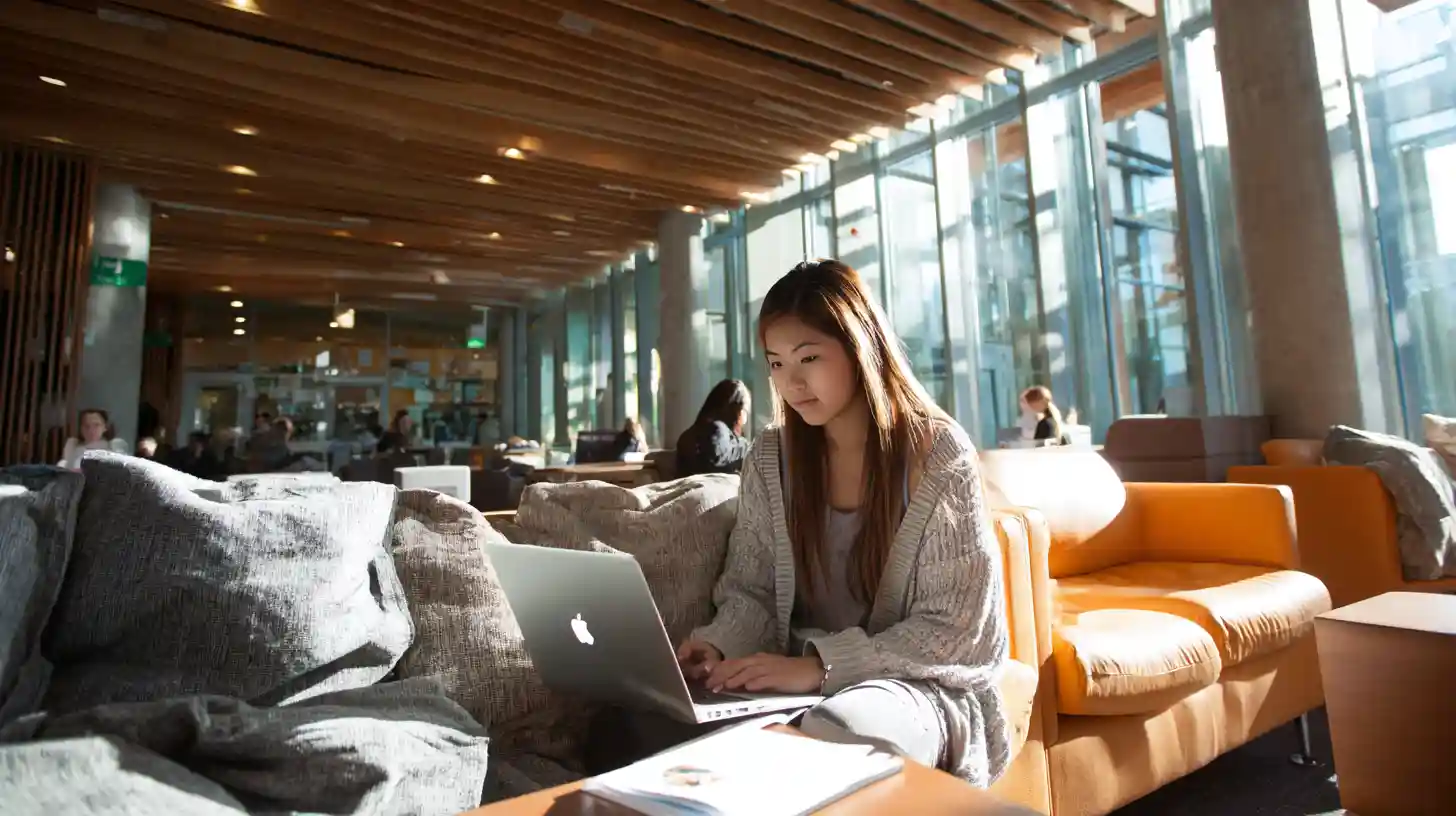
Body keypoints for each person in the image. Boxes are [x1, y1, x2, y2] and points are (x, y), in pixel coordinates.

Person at [675, 259, 1010, 787]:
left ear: (861, 349)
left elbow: (961, 632)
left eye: (809, 358)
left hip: (912, 686)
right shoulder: (770, 456)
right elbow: (751, 590)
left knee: (838, 729)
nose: (793, 382)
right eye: (777, 364)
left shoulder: (939, 455)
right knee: (650, 719)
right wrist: (720, 644)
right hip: (794, 678)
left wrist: (821, 667)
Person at [675, 379, 752, 477]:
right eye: (745, 412)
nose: (745, 420)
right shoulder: (717, 430)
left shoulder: (689, 434)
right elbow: (714, 453)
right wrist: (748, 447)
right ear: (739, 411)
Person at [58, 408, 130, 469]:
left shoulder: (114, 447)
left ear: (105, 427)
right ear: (81, 429)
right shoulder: (73, 447)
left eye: (96, 425)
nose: (91, 430)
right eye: (87, 426)